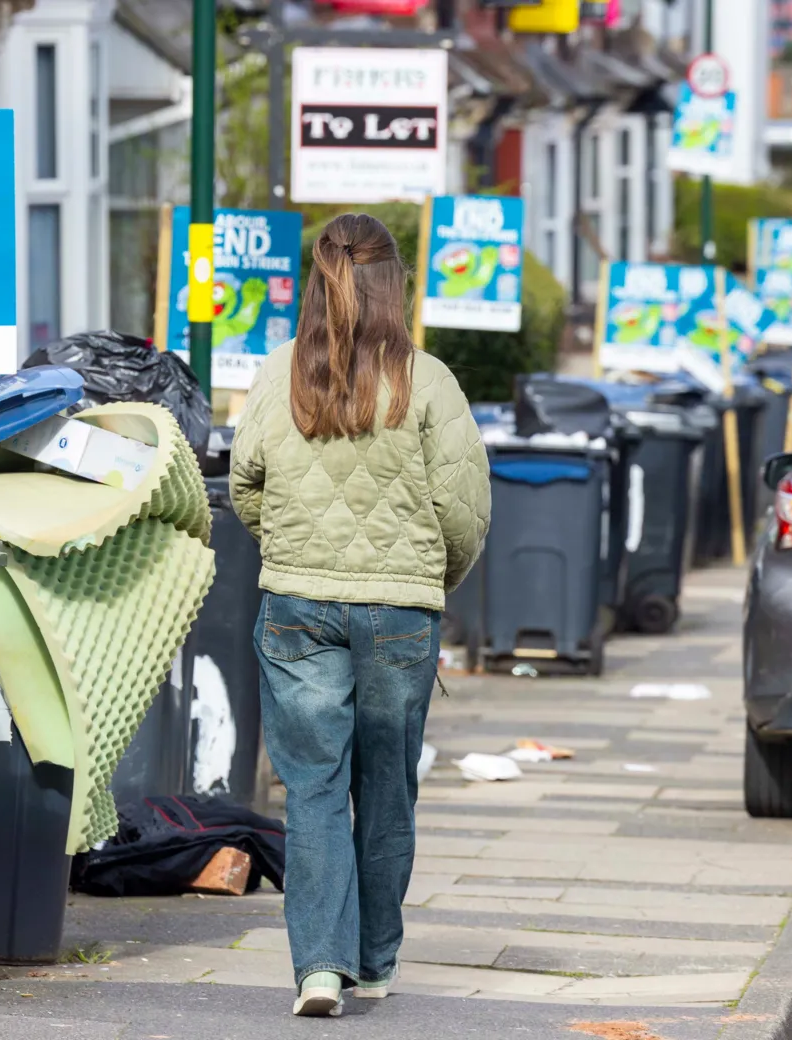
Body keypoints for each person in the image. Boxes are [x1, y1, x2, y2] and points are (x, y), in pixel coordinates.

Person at [230, 213, 491, 1018]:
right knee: (386, 792)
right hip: (399, 614)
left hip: (297, 609)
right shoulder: (430, 381)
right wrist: (428, 578)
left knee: (310, 789)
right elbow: (464, 510)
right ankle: (374, 963)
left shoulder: (280, 375)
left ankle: (318, 967)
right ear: (395, 283)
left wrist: (291, 551)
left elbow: (244, 483)